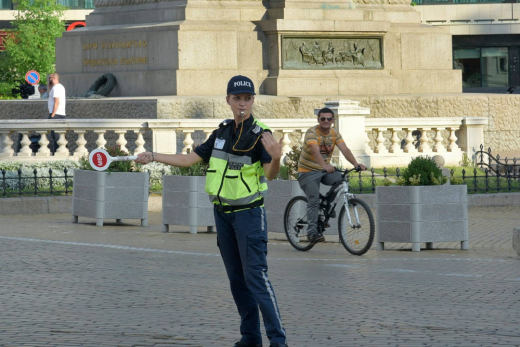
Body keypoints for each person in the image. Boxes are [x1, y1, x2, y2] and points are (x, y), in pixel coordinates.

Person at [135, 75, 289, 347]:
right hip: (223, 215)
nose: (242, 104)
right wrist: (154, 155)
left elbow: (270, 175)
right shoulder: (221, 133)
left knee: (256, 278)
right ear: (228, 100)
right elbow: (187, 159)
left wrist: (275, 157)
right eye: (237, 98)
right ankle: (250, 338)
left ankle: (278, 341)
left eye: (247, 98)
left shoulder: (261, 135)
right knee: (237, 280)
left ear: (253, 100)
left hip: (249, 215)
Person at [297, 107, 367, 243]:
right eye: (323, 118)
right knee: (313, 201)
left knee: (340, 178)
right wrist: (324, 165)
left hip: (324, 171)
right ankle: (312, 233)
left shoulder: (335, 134)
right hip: (307, 172)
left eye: (329, 118)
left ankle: (327, 205)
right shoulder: (312, 133)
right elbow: (315, 151)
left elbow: (345, 149)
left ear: (333, 120)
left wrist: (355, 164)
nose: (326, 121)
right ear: (318, 120)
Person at [47, 73, 66, 154]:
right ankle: (61, 152)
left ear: (54, 78)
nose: (49, 79)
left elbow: (56, 101)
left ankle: (58, 153)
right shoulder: (59, 87)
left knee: (56, 136)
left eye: (50, 78)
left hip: (56, 114)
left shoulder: (56, 88)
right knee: (60, 136)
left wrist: (53, 114)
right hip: (60, 114)